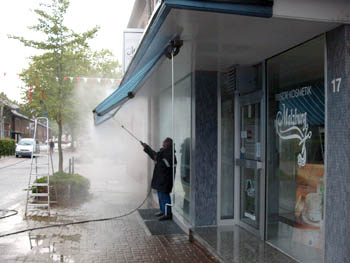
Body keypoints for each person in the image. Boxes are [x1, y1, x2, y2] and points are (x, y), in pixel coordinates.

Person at [141, 137, 176, 221]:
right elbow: (156, 156)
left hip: (166, 180)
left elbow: (164, 163)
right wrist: (146, 147)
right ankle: (163, 211)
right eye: (163, 142)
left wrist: (158, 158)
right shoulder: (163, 152)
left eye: (165, 143)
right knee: (160, 196)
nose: (163, 144)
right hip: (161, 179)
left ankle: (167, 214)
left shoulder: (170, 154)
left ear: (168, 144)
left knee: (165, 196)